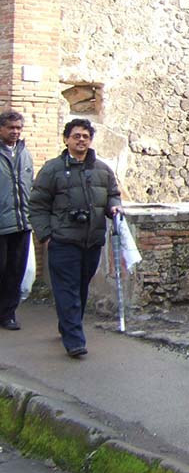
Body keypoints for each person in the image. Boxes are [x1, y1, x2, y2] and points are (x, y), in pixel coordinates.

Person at [29, 118, 122, 358]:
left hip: (92, 241)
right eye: (77, 136)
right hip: (63, 241)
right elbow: (37, 205)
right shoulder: (52, 169)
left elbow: (113, 194)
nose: (81, 140)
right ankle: (74, 340)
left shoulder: (102, 169)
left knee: (80, 289)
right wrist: (46, 236)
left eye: (86, 136)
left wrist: (114, 207)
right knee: (67, 290)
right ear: (66, 139)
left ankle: (68, 326)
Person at [0, 110, 34, 331]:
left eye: (18, 128)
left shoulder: (24, 153)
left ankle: (8, 314)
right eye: (11, 128)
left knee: (15, 271)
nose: (15, 132)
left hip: (21, 223)